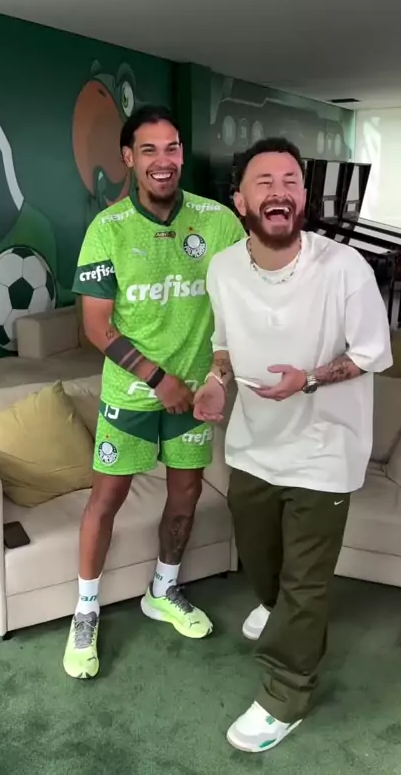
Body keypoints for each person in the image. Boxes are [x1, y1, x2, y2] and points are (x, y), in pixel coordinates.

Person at [194, 137, 392, 753]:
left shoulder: (345, 269)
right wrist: (215, 380)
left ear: (303, 198)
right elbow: (223, 344)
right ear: (240, 201)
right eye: (265, 182)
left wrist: (308, 379)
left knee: (305, 583)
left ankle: (286, 695)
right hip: (253, 445)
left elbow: (370, 353)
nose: (279, 192)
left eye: (290, 182)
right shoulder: (223, 268)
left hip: (325, 449)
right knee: (261, 559)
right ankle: (273, 604)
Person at [63, 105, 246, 679]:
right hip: (133, 396)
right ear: (128, 158)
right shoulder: (108, 228)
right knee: (106, 501)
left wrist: (216, 377)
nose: (162, 161)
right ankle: (85, 610)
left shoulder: (218, 222)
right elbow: (96, 327)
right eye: (149, 150)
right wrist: (157, 379)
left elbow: (241, 306)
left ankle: (163, 590)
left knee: (185, 496)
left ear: (181, 154)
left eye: (171, 148)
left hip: (193, 396)